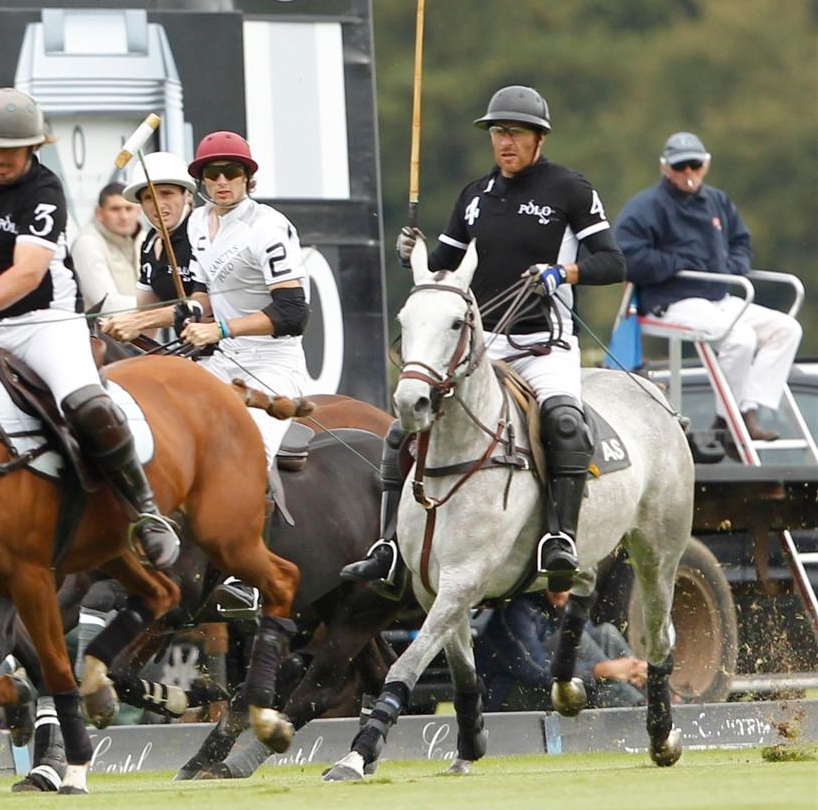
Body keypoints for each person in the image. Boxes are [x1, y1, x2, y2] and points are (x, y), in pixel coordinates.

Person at [343, 86, 626, 595]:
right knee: (403, 430)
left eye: (515, 132)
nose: (505, 142)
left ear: (539, 138)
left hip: (544, 344)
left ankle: (559, 539)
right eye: (498, 132)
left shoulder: (569, 189)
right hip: (481, 346)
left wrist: (562, 273)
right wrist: (411, 252)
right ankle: (388, 547)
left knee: (565, 423)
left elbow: (613, 262)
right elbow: (442, 269)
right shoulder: (475, 196)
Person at [0, 88, 178, 570]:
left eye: (9, 151)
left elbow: (27, 274)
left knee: (87, 404)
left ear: (32, 147)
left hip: (44, 321)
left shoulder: (44, 190)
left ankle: (145, 510)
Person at [175, 132, 312, 612]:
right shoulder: (196, 223)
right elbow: (202, 290)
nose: (222, 181)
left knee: (247, 454)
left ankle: (249, 575)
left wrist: (220, 328)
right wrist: (194, 313)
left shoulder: (268, 226)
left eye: (231, 172)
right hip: (219, 360)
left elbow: (293, 312)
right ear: (201, 181)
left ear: (248, 177)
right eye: (211, 174)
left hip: (271, 363)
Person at [614, 131, 802, 444]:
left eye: (694, 164)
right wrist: (675, 263)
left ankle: (745, 411)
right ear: (665, 168)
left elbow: (741, 242)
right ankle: (731, 420)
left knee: (787, 329)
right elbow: (625, 257)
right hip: (672, 300)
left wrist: (731, 268)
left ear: (706, 165)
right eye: (680, 166)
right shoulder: (647, 206)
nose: (688, 172)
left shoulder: (717, 201)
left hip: (718, 296)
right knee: (740, 338)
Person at [476, 589, 647, 711]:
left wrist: (627, 669)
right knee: (576, 638)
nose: (562, 588)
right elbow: (535, 672)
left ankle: (650, 693)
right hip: (509, 694)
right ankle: (636, 708)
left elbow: (595, 647)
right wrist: (599, 671)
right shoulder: (517, 610)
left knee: (606, 633)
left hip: (561, 682)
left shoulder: (569, 604)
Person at [100, 151, 199, 344]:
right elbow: (146, 315)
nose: (158, 205)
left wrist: (137, 321)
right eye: (148, 197)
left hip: (233, 349)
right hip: (190, 351)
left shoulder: (203, 235)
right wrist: (117, 327)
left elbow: (204, 306)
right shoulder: (150, 243)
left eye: (167, 194)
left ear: (187, 195)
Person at [70, 182, 143, 314]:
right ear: (99, 213)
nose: (124, 216)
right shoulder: (87, 243)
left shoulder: (144, 239)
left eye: (129, 208)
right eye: (115, 209)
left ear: (139, 211)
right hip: (101, 327)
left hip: (144, 324)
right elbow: (106, 304)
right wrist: (159, 305)